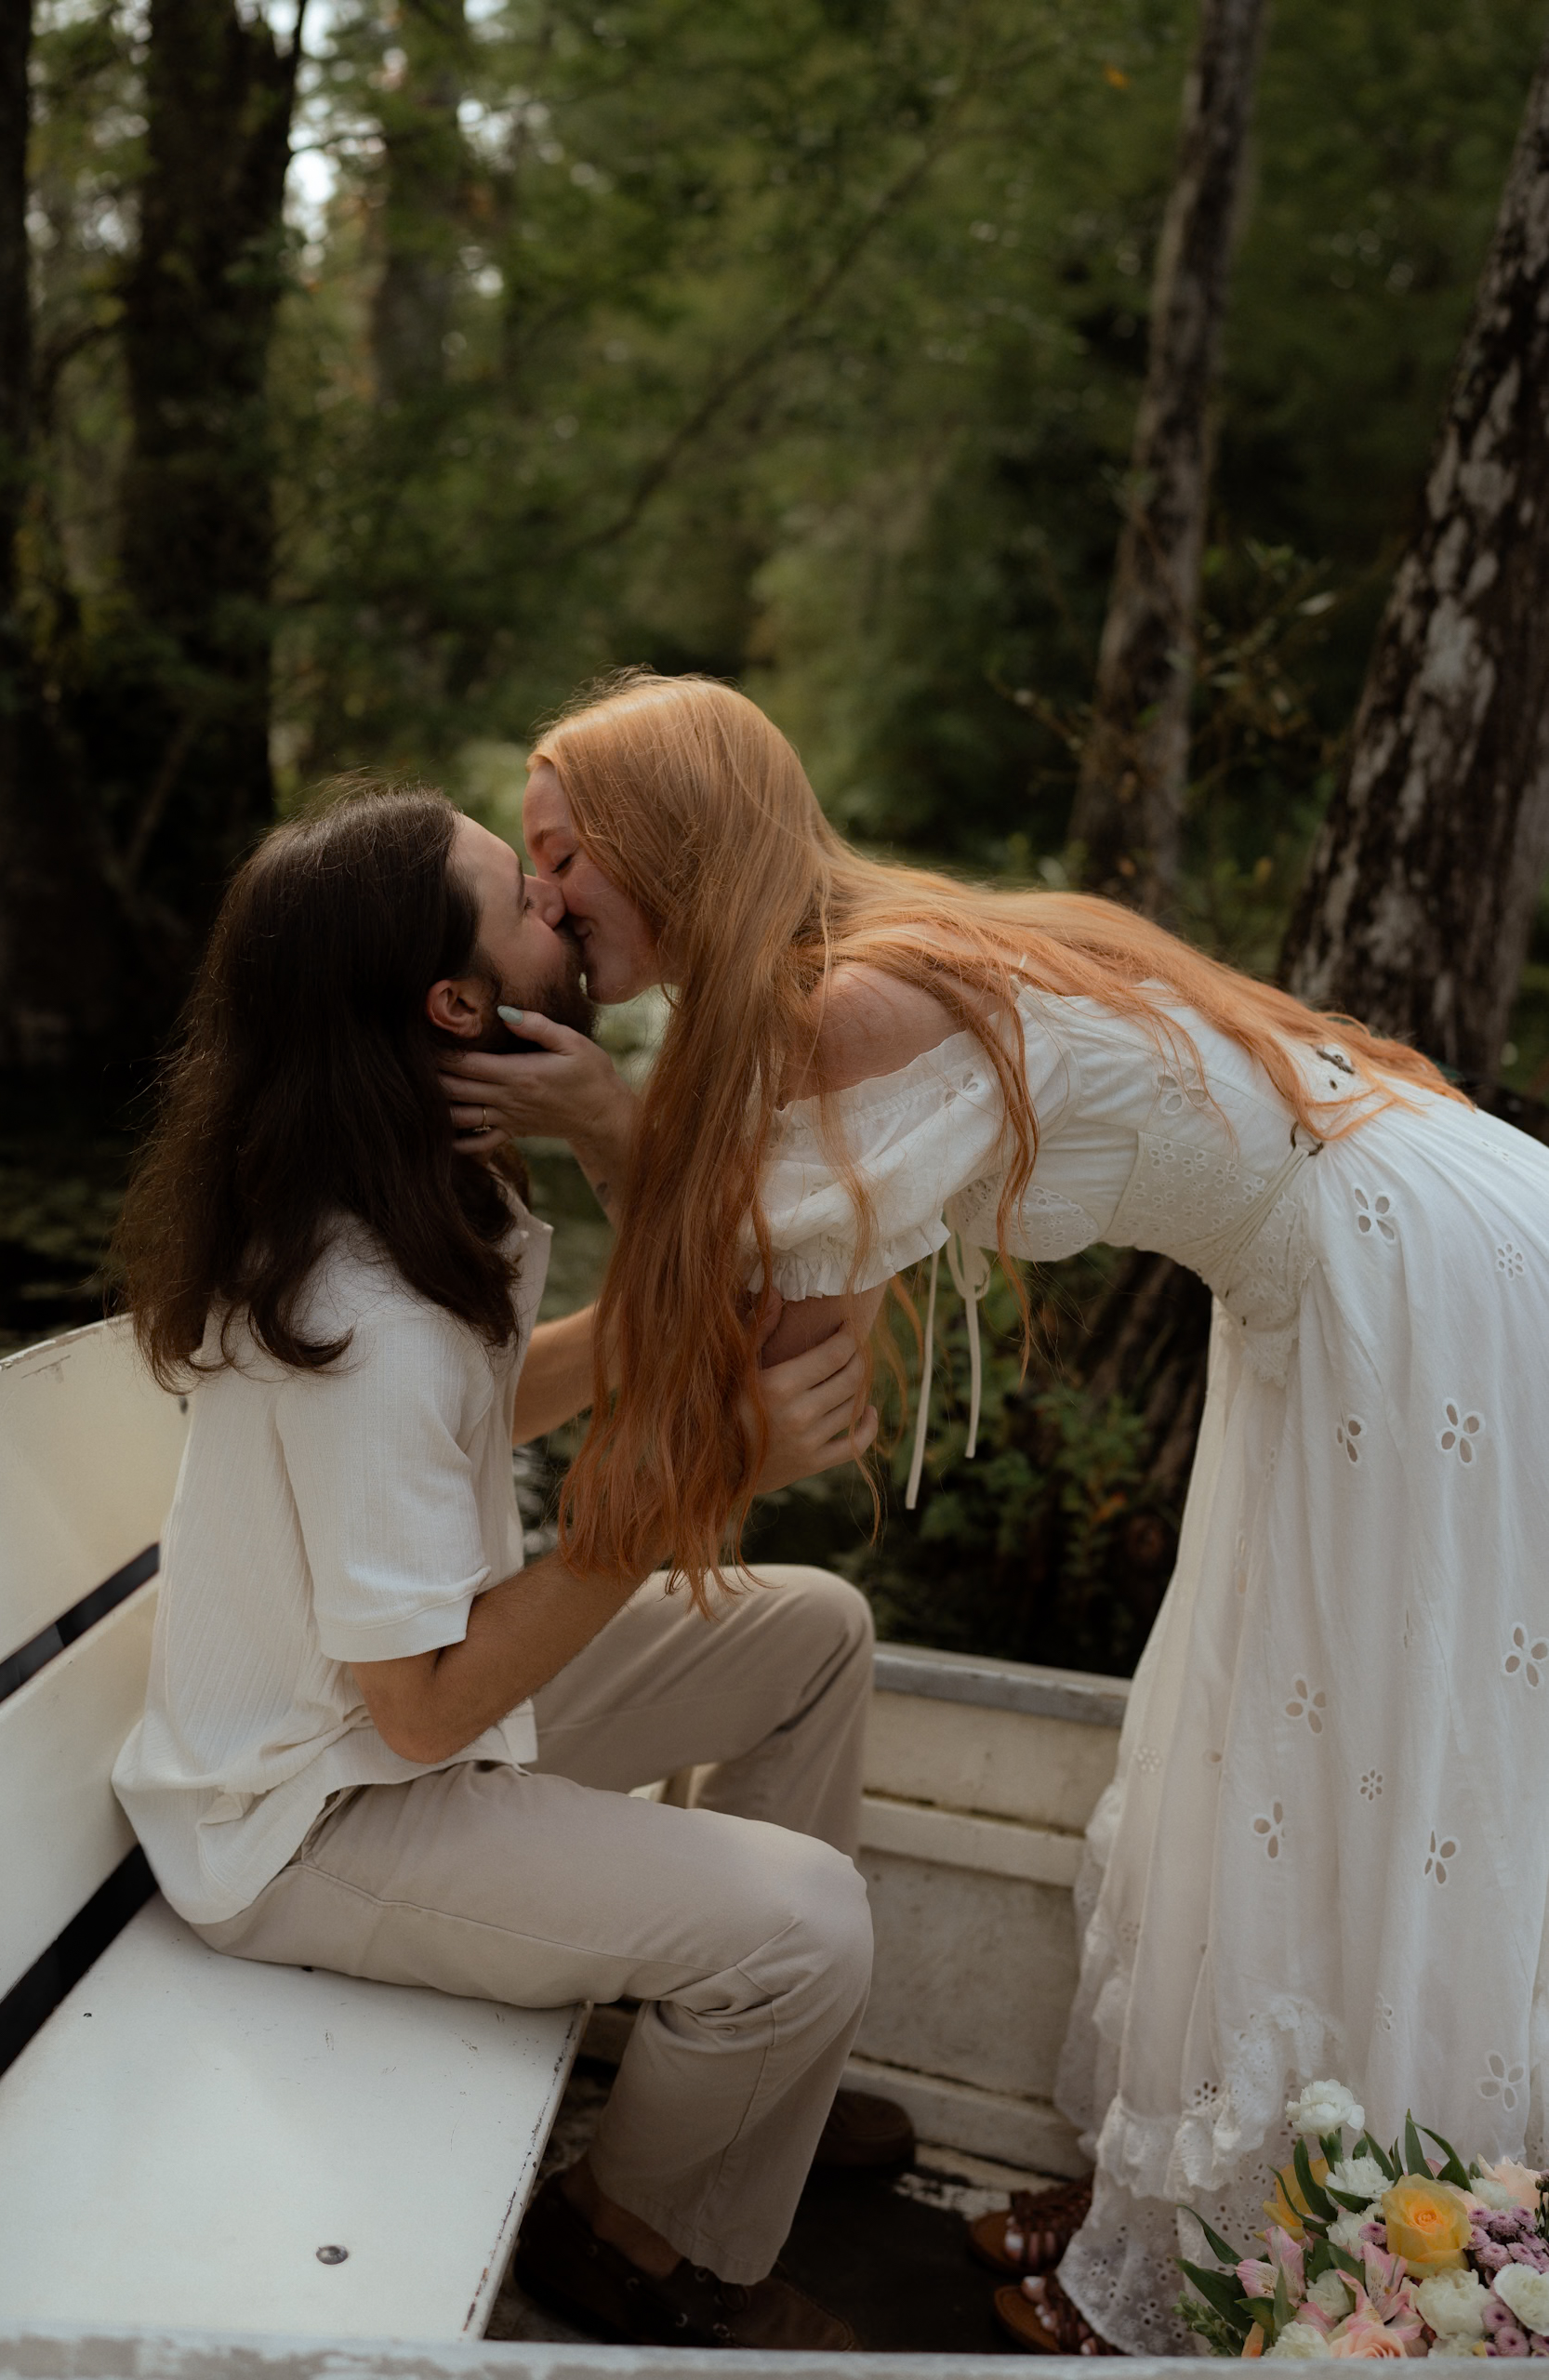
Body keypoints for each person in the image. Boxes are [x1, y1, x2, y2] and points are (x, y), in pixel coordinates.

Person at [440, 669, 1549, 2357]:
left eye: (560, 858)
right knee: (1250, 1715)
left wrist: (604, 1121)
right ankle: (1172, 2215)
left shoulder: (848, 1004)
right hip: (1356, 1256)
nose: (543, 905)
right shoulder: (856, 965)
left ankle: (1319, 2266)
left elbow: (749, 1309)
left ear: (663, 846)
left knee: (1366, 1740)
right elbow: (774, 1312)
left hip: (1411, 1284)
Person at [111, 783, 908, 2354]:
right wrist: (702, 1468)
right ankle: (629, 2244)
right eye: (526, 896)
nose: (566, 901)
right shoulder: (364, 1316)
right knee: (809, 1926)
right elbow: (416, 1712)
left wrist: (643, 1284)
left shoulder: (427, 1179)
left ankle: (736, 2088)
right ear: (457, 1003)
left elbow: (497, 1402)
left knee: (811, 1630)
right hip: (317, 1814)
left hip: (397, 1723)